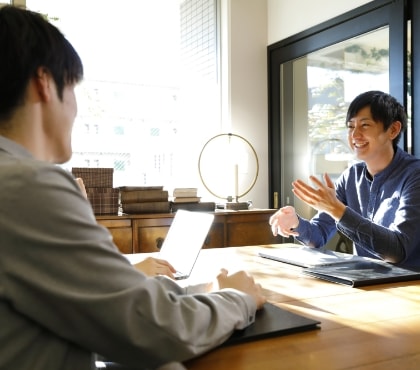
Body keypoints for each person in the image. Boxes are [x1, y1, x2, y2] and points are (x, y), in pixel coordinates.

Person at [0, 5, 266, 370]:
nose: (76, 109)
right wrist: (239, 298)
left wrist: (183, 294)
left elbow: (94, 311)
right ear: (43, 83)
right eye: (74, 88)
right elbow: (160, 331)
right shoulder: (24, 185)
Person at [269, 90, 420, 268]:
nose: (354, 135)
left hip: (408, 288)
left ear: (393, 129)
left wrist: (337, 210)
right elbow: (319, 235)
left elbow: (398, 251)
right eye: (350, 127)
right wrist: (296, 223)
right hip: (365, 282)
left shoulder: (414, 175)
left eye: (364, 125)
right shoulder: (351, 177)